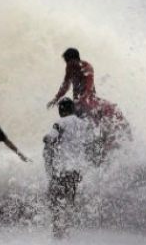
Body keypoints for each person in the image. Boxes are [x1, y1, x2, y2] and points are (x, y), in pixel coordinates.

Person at [43, 98, 91, 239]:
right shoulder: (83, 124)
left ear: (62, 109)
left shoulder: (60, 123)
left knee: (55, 199)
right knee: (70, 199)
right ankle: (68, 231)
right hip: (77, 170)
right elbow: (90, 144)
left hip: (62, 169)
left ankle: (58, 233)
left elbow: (50, 138)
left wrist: (45, 139)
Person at [47, 48, 98, 117]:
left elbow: (89, 86)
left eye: (68, 61)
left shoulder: (86, 67)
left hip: (89, 98)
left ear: (75, 59)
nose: (67, 64)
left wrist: (83, 98)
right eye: (66, 62)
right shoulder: (69, 68)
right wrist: (56, 98)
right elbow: (65, 85)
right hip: (77, 100)